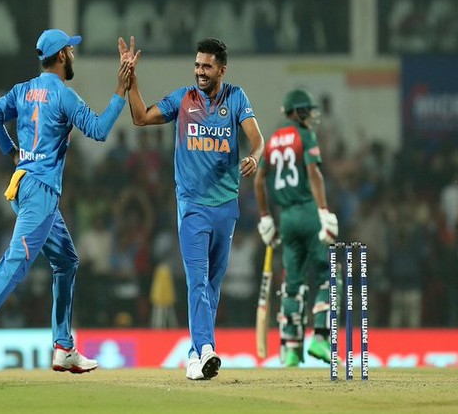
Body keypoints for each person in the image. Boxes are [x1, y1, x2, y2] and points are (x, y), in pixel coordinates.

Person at [0, 29, 133, 383]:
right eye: (70, 51)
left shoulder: (23, 90)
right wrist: (120, 91)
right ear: (61, 56)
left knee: (66, 261)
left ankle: (63, 347)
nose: (72, 56)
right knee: (17, 261)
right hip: (42, 191)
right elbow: (99, 130)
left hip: (23, 184)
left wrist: (12, 152)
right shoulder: (63, 95)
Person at [119, 36, 265, 380]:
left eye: (207, 67)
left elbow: (257, 139)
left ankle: (194, 358)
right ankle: (207, 348)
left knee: (212, 285)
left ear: (221, 70)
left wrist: (254, 157)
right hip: (193, 207)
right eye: (197, 65)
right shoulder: (183, 100)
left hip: (226, 206)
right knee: (197, 280)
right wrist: (131, 80)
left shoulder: (236, 97)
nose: (200, 71)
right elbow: (140, 117)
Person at [253, 88, 338, 367]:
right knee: (328, 273)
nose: (311, 116)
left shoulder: (272, 141)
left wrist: (265, 217)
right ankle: (321, 338)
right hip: (308, 211)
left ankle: (291, 349)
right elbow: (314, 174)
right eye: (307, 111)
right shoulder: (305, 136)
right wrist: (323, 211)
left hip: (286, 219)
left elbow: (258, 181)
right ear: (297, 111)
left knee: (293, 284)